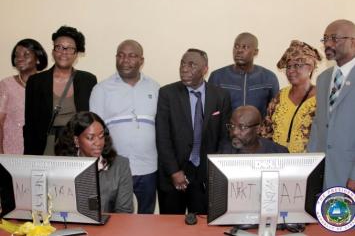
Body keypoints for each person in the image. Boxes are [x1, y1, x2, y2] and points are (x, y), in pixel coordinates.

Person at [156, 48, 231, 214]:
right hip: (173, 173)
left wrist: (215, 172)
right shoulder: (167, 94)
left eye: (192, 65)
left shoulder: (221, 96)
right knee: (171, 227)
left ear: (205, 69)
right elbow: (162, 137)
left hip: (205, 175)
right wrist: (174, 171)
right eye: (182, 63)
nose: (184, 68)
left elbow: (224, 138)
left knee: (202, 226)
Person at [90, 40, 159, 214]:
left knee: (146, 219)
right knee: (115, 220)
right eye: (120, 55)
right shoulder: (101, 89)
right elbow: (94, 131)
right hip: (113, 168)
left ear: (141, 61)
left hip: (148, 167)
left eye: (131, 56)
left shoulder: (155, 88)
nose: (125, 60)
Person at [24, 26, 97, 155]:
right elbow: (30, 125)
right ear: (53, 51)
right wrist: (29, 156)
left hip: (78, 147)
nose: (64, 52)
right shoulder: (36, 82)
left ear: (76, 54)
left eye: (69, 48)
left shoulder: (88, 80)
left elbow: (91, 120)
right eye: (59, 47)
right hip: (46, 147)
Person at [308, 19, 355, 191]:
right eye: (325, 39)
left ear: (353, 41)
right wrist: (311, 166)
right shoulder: (323, 78)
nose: (327, 44)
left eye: (334, 39)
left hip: (349, 174)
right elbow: (318, 125)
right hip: (323, 173)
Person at [55, 111, 133, 213]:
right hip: (73, 226)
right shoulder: (63, 167)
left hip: (109, 226)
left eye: (101, 136)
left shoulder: (120, 166)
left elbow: (124, 212)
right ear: (76, 141)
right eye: (90, 138)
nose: (98, 143)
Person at [260, 40, 321, 153]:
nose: (291, 70)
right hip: (278, 162)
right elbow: (266, 130)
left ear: (311, 67)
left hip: (310, 164)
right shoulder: (280, 96)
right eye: (288, 66)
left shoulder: (321, 97)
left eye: (297, 65)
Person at [208, 32, 279, 117]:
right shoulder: (217, 77)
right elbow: (211, 111)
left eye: (245, 47)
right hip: (227, 129)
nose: (239, 50)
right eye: (236, 46)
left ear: (255, 52)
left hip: (257, 129)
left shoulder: (269, 78)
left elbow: (274, 113)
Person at [0, 39, 47, 154]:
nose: (20, 58)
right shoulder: (6, 85)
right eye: (16, 55)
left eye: (26, 54)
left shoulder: (46, 85)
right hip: (10, 151)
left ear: (38, 59)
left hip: (40, 151)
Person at [221, 105, 288, 154]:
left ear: (258, 129)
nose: (234, 132)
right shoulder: (222, 154)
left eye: (242, 127)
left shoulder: (278, 153)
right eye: (232, 126)